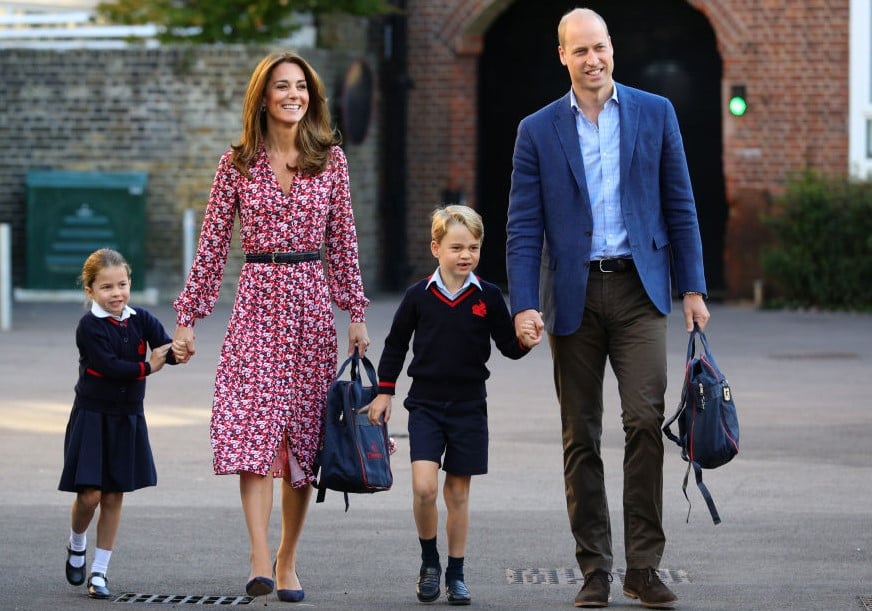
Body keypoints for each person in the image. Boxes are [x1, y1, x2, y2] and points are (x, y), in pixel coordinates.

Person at [506, 8, 711, 609]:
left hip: (640, 290)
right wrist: (523, 304)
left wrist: (693, 289)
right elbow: (523, 228)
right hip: (571, 296)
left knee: (645, 423)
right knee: (581, 436)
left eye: (600, 48)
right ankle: (594, 569)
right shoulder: (536, 130)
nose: (592, 60)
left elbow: (682, 205)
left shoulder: (656, 112)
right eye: (580, 51)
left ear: (612, 49)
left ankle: (643, 568)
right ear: (562, 56)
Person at [171, 51, 370, 602]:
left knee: (303, 445)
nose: (293, 95)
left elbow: (343, 245)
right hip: (256, 305)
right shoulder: (234, 164)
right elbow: (211, 249)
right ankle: (259, 555)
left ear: (312, 96)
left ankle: (287, 559)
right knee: (253, 430)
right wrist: (187, 319)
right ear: (263, 96)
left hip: (310, 309)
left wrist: (356, 313)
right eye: (281, 86)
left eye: (301, 87)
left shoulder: (330, 161)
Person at [368, 205, 540, 606]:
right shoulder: (417, 296)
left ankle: (457, 574)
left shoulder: (489, 296)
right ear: (436, 248)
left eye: (474, 248)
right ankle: (430, 562)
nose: (466, 255)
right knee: (425, 488)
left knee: (458, 494)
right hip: (425, 405)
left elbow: (507, 346)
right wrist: (384, 391)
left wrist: (525, 343)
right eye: (457, 247)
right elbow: (395, 345)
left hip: (468, 407)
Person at [59, 248, 176, 600]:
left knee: (113, 495)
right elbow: (108, 367)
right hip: (93, 416)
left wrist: (179, 351)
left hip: (127, 417)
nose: (116, 293)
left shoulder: (140, 318)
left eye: (122, 284)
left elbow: (165, 346)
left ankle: (99, 572)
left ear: (130, 284)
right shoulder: (89, 327)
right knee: (90, 495)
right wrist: (148, 367)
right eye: (107, 287)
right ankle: (77, 542)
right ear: (90, 290)